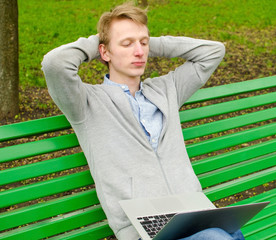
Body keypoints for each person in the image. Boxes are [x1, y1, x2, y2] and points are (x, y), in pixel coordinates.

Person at [42, 2, 244, 240]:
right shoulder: (87, 103)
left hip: (192, 212)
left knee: (230, 232)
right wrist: (103, 42)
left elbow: (213, 51)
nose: (139, 52)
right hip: (143, 229)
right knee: (217, 238)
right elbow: (54, 63)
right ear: (104, 52)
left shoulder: (167, 89)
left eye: (143, 43)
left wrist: (146, 42)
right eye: (127, 44)